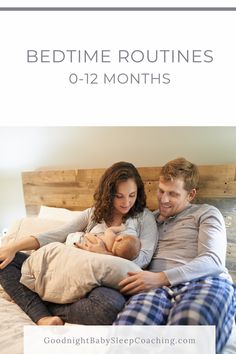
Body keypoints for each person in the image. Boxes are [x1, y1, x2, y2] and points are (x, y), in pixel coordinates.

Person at [0, 161, 158, 325]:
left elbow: (144, 259)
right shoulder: (93, 213)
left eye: (132, 195)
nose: (126, 202)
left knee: (109, 308)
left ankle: (41, 304)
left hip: (98, 283)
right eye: (119, 196)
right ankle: (42, 316)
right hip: (65, 268)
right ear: (109, 193)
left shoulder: (144, 217)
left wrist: (105, 254)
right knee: (3, 261)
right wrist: (13, 247)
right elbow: (58, 234)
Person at [114, 157, 236, 354]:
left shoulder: (206, 213)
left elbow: (213, 261)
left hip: (202, 281)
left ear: (191, 194)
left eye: (172, 194)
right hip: (152, 287)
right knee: (129, 333)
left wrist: (161, 278)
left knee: (190, 327)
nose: (163, 199)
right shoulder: (148, 219)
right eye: (161, 191)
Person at [70, 224, 141, 260]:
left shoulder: (112, 238)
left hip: (79, 237)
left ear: (119, 239)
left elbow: (109, 230)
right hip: (81, 249)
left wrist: (120, 228)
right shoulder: (111, 255)